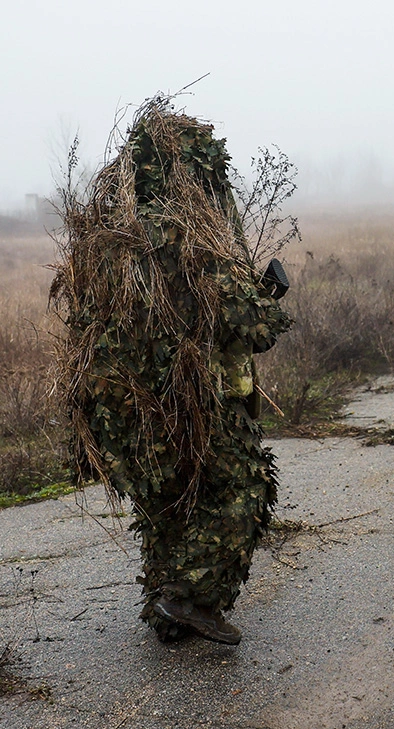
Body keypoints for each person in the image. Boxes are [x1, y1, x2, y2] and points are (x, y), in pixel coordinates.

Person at [52, 100, 292, 644]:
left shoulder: (104, 239)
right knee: (243, 487)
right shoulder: (190, 236)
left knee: (170, 500)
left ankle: (166, 607)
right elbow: (250, 327)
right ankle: (190, 599)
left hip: (121, 406)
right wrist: (269, 298)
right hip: (188, 398)